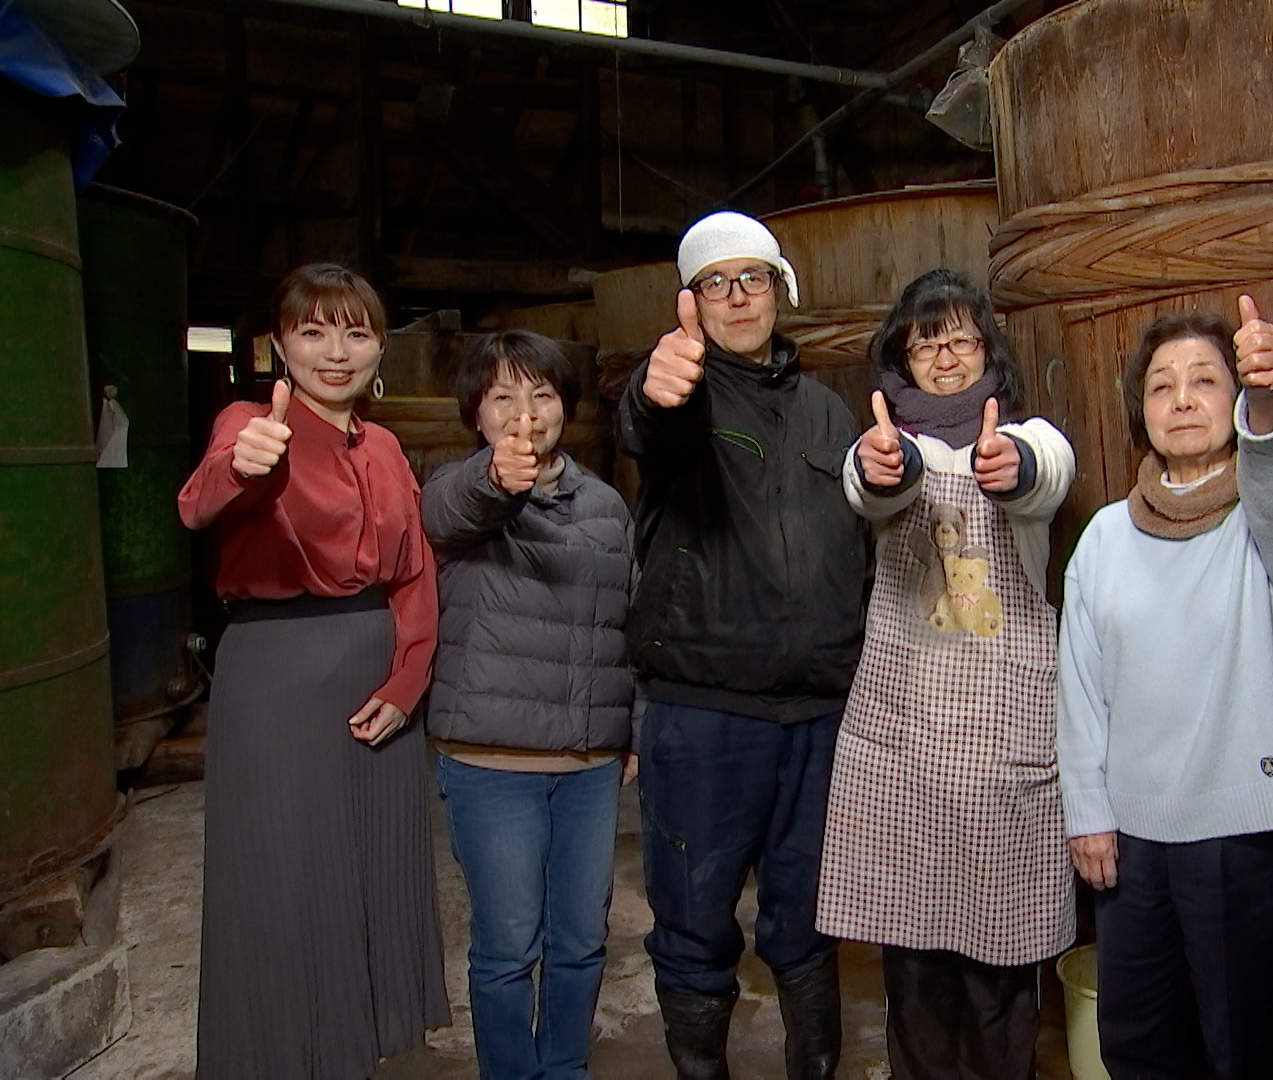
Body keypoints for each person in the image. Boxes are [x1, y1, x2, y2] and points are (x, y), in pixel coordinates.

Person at [177, 263, 447, 1080]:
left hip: (376, 683)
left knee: (370, 881)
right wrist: (244, 464)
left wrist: (407, 683)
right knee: (283, 883)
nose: (336, 352)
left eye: (356, 333)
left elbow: (415, 575)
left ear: (379, 349)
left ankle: (353, 1053)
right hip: (278, 681)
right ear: (280, 345)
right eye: (314, 332)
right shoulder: (250, 423)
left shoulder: (387, 445)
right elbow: (198, 502)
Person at [616, 211, 870, 1080]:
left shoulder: (827, 411)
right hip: (705, 713)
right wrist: (656, 389)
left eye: (751, 277)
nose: (736, 297)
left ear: (779, 290)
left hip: (818, 712)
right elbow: (649, 426)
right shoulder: (682, 396)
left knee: (809, 918)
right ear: (691, 302)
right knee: (694, 922)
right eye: (714, 283)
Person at [815, 268, 1076, 1079]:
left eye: (961, 340)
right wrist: (885, 465)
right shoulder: (889, 445)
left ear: (988, 351)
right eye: (926, 344)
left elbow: (1045, 474)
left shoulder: (1030, 437)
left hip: (999, 749)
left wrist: (1011, 466)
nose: (946, 357)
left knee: (1000, 969)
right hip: (907, 748)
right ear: (903, 358)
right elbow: (871, 486)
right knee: (914, 965)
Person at [1056, 303, 1273, 1079]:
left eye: (1206, 381)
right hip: (1129, 840)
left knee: (1236, 1049)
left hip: (1238, 834)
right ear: (1140, 411)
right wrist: (1088, 813)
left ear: (1234, 402)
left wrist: (1267, 400)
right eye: (1161, 385)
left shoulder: (1269, 528)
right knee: (1136, 1043)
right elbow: (1080, 687)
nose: (1181, 399)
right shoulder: (1104, 537)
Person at [419, 330, 641, 1080]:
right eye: (503, 396)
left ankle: (566, 1068)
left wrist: (630, 726)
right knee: (508, 946)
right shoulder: (457, 491)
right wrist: (496, 479)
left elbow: (629, 624)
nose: (526, 413)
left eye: (542, 394)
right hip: (491, 762)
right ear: (475, 412)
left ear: (564, 407)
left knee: (581, 940)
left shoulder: (606, 505)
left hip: (588, 764)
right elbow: (449, 512)